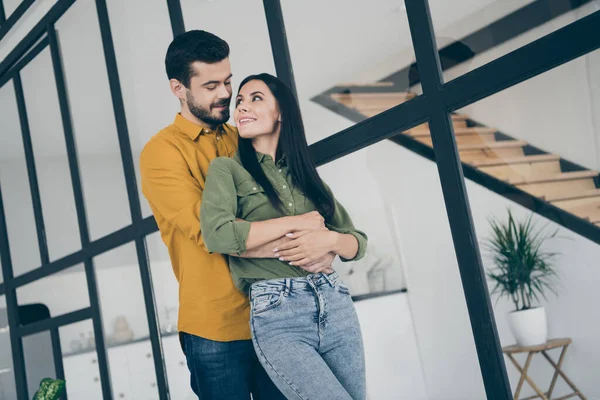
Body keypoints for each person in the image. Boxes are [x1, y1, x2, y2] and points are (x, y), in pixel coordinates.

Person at [140, 30, 335, 399]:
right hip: (216, 329)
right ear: (178, 88)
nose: (226, 94)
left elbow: (291, 202)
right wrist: (305, 247)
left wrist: (327, 241)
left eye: (228, 81)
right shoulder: (161, 153)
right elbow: (211, 232)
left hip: (277, 320)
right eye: (211, 85)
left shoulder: (243, 137)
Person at [200, 73, 368, 400]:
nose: (242, 107)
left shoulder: (304, 174)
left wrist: (329, 242)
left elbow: (356, 241)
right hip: (278, 313)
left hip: (334, 302)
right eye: (240, 101)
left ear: (281, 113)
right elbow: (218, 234)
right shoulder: (227, 169)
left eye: (255, 98)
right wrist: (301, 224)